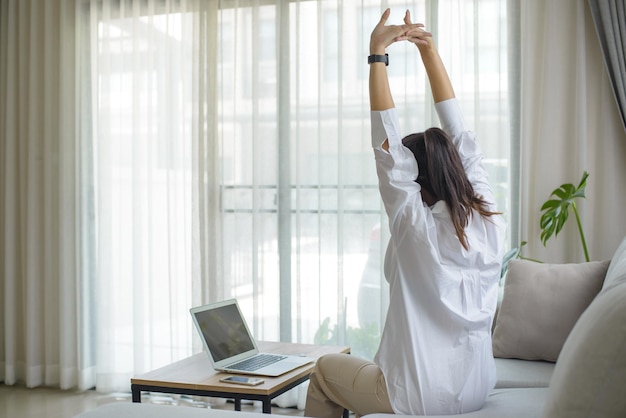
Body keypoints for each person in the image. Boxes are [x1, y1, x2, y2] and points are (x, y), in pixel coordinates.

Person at [304, 8, 506, 417]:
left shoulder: (415, 228)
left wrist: (377, 54)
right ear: (455, 169)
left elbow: (388, 148)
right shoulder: (488, 219)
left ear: (417, 182)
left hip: (414, 397)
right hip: (477, 388)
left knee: (325, 371)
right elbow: (461, 134)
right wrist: (428, 52)